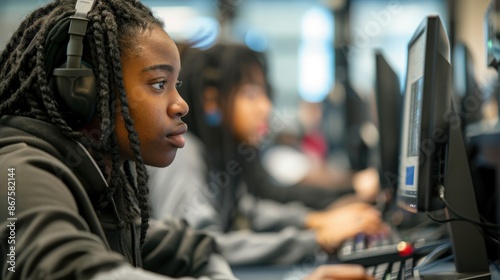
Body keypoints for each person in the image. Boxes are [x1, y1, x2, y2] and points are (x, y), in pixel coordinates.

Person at [0, 0, 240, 279]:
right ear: (82, 90)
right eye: (159, 84)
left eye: (177, 86)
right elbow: (67, 269)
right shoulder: (18, 171)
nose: (181, 105)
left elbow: (194, 248)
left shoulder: (102, 181)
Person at [147, 43, 387, 267]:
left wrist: (315, 220)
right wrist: (316, 239)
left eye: (265, 94)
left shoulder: (219, 157)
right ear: (212, 101)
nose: (266, 108)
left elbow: (247, 210)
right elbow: (199, 249)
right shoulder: (183, 154)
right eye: (251, 95)